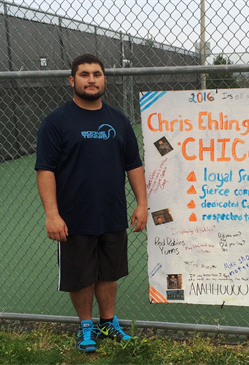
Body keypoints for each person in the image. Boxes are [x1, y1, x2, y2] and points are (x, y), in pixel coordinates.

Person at [34, 53, 148, 354]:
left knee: (109, 273)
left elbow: (133, 165)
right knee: (80, 275)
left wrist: (142, 203)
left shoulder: (118, 121)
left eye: (96, 74)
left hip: (111, 214)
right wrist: (52, 214)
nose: (91, 80)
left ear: (105, 80)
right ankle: (86, 326)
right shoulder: (57, 121)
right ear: (72, 81)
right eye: (84, 75)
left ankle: (108, 322)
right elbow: (45, 170)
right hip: (73, 218)